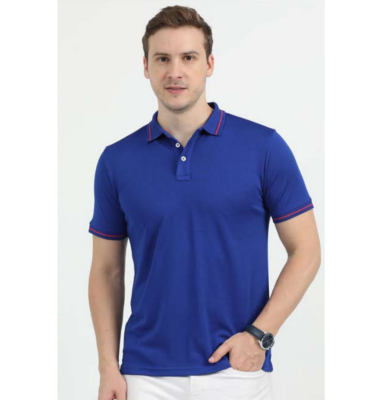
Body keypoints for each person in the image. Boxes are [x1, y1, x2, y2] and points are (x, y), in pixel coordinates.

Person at [88, 5, 321, 400]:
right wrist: (108, 367)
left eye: (188, 58)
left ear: (209, 64)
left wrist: (260, 335)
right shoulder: (117, 161)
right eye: (162, 59)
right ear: (146, 67)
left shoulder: (263, 147)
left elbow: (307, 250)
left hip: (236, 371)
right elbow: (106, 271)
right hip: (145, 376)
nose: (174, 71)